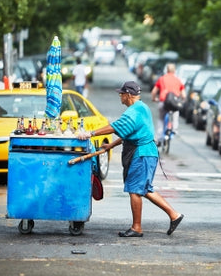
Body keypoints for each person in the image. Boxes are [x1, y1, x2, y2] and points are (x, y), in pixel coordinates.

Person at [77, 81, 184, 237]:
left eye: (121, 94)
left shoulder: (134, 111)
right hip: (146, 153)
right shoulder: (142, 108)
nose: (120, 96)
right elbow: (128, 131)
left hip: (142, 154)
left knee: (135, 190)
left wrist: (90, 134)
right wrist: (111, 145)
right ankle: (174, 215)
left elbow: (116, 127)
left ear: (128, 95)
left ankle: (137, 228)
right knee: (144, 189)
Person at [151, 63, 186, 144]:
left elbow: (154, 92)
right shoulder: (178, 80)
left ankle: (159, 138)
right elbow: (184, 95)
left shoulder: (162, 79)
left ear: (167, 70)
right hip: (174, 103)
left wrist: (154, 99)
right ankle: (174, 129)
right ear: (174, 71)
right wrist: (182, 100)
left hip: (163, 101)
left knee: (161, 119)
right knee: (175, 113)